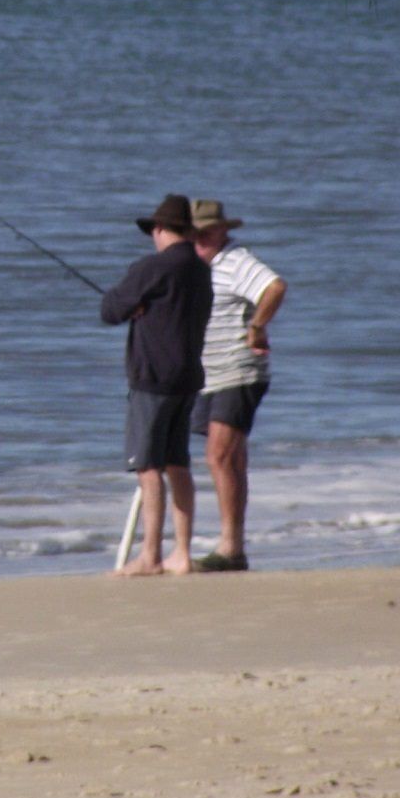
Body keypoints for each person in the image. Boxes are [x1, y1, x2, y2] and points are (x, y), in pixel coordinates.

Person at [100, 193, 213, 576]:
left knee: (148, 468)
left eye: (154, 231)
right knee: (177, 464)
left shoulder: (153, 268)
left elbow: (109, 310)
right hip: (188, 379)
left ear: (161, 229)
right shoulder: (200, 270)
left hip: (152, 379)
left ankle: (150, 555)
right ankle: (181, 553)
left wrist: (132, 306)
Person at [189, 198, 286, 572]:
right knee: (230, 458)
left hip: (239, 370)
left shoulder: (235, 260)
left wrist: (257, 327)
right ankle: (235, 546)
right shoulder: (201, 267)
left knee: (220, 455)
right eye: (193, 233)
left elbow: (275, 287)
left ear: (223, 230)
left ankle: (230, 547)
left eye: (207, 232)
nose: (200, 240)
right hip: (209, 375)